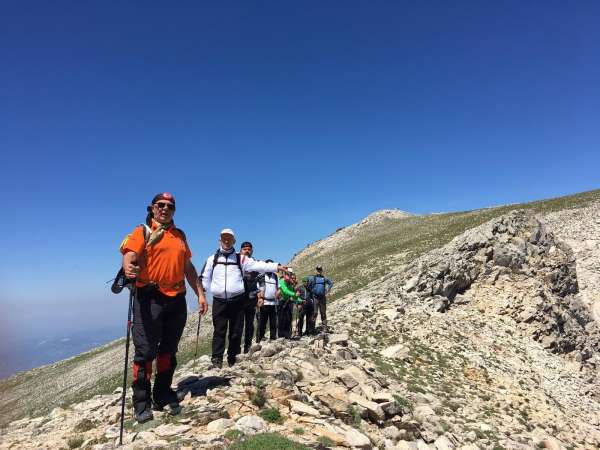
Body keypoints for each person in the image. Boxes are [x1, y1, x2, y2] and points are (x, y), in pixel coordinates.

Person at [121, 192, 208, 423]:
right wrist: (129, 268)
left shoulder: (179, 235)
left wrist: (199, 293)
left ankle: (162, 394)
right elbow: (130, 254)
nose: (165, 209)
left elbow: (187, 266)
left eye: (170, 206)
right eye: (161, 205)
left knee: (168, 351)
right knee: (145, 353)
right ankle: (142, 403)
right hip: (149, 297)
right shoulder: (143, 231)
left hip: (176, 299)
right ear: (152, 208)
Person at [200, 229, 284, 368]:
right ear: (220, 240)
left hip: (237, 300)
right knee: (219, 330)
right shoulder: (212, 259)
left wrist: (276, 267)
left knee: (236, 331)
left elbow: (258, 265)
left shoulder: (241, 258)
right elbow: (204, 277)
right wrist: (201, 295)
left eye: (229, 238)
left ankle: (232, 357)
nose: (226, 240)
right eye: (224, 238)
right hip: (219, 300)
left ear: (234, 241)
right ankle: (217, 360)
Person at [239, 241, 261, 354]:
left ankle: (247, 348)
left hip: (252, 300)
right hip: (238, 300)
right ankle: (235, 351)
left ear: (252, 251)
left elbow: (261, 280)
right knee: (237, 326)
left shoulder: (254, 264)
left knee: (249, 325)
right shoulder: (236, 262)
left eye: (249, 249)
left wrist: (260, 294)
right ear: (241, 250)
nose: (247, 251)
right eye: (245, 249)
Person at [256, 263, 279, 342]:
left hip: (273, 303)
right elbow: (257, 289)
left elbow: (278, 288)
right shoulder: (261, 276)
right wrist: (259, 299)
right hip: (264, 302)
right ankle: (260, 338)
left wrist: (278, 293)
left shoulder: (275, 277)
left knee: (273, 322)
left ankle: (273, 337)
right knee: (262, 321)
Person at [307, 265, 334, 332]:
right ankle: (311, 328)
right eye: (318, 270)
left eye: (320, 270)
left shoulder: (324, 278)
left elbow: (331, 283)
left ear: (321, 270)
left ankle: (324, 327)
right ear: (316, 270)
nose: (319, 271)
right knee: (315, 312)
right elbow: (308, 286)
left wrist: (328, 289)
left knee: (323, 312)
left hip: (322, 297)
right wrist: (311, 293)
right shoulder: (312, 278)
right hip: (315, 297)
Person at [278, 270, 301, 339]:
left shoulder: (290, 284)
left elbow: (293, 295)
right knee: (281, 318)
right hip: (282, 302)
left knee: (288, 318)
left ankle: (287, 334)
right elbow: (285, 290)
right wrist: (294, 294)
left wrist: (300, 300)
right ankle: (281, 334)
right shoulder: (281, 281)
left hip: (288, 302)